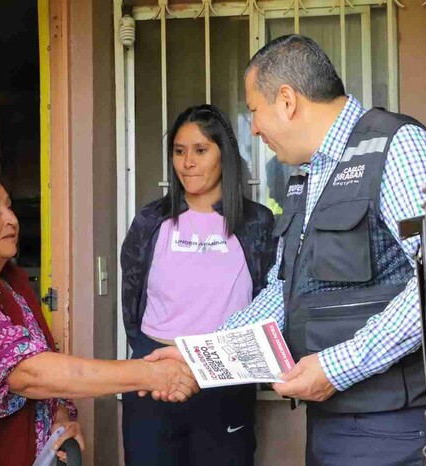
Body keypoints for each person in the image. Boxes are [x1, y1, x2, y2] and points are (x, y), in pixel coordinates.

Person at [147, 35, 426, 465]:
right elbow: (285, 290)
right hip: (331, 418)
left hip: (393, 424)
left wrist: (336, 368)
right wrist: (204, 353)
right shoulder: (308, 177)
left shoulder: (398, 147)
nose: (252, 127)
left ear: (287, 101)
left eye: (254, 110)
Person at [0, 168, 199, 466]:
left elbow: (44, 360)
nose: (11, 220)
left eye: (9, 206)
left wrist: (62, 418)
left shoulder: (13, 284)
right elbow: (28, 373)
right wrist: (153, 373)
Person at [120, 104, 276, 466]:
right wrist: (149, 351)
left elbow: (270, 298)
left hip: (224, 376)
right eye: (179, 151)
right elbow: (132, 300)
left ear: (225, 156)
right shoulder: (151, 220)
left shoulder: (256, 224)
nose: (187, 162)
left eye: (201, 150)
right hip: (154, 372)